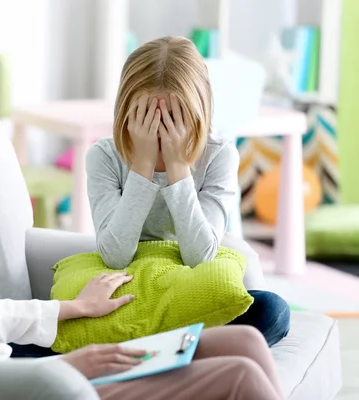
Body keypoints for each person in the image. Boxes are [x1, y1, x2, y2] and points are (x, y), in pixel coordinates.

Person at [0, 59, 284, 399]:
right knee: (240, 375)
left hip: (10, 366)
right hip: (13, 387)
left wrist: (71, 308)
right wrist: (67, 366)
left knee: (245, 336)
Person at [86, 36, 290, 347]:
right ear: (126, 110)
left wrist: (178, 167)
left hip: (190, 287)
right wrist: (142, 164)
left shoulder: (218, 155)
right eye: (147, 116)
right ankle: (177, 348)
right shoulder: (104, 156)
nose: (160, 129)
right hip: (134, 287)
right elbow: (114, 256)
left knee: (272, 311)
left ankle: (164, 346)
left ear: (198, 111)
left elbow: (200, 256)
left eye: (173, 119)